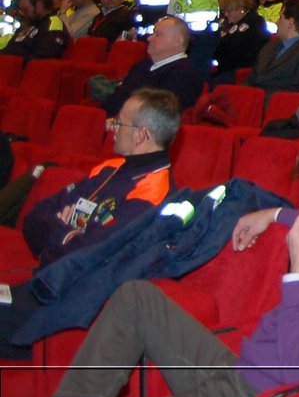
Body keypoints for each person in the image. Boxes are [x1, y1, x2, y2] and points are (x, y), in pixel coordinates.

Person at [52, 139, 299, 397]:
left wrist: (298, 273)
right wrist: (272, 215)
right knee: (136, 298)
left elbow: (298, 367)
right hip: (242, 365)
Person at [0, 89, 179, 356]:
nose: (111, 128)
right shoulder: (108, 169)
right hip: (44, 287)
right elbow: (36, 217)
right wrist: (68, 235)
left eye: (118, 122)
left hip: (68, 312)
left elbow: (87, 258)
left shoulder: (154, 193)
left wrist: (64, 234)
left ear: (141, 135)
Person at [103, 16, 205, 117]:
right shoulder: (141, 66)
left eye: (158, 35)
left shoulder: (185, 75)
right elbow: (115, 100)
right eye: (153, 33)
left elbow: (159, 115)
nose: (149, 38)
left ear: (178, 41)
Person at [248, 0, 299, 96]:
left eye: (280, 17)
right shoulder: (270, 46)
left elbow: (298, 86)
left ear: (290, 22)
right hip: (254, 99)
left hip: (276, 102)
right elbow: (252, 77)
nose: (276, 22)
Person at [212, 0, 270, 85]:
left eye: (229, 11)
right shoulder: (227, 23)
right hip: (224, 68)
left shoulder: (255, 22)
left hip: (241, 71)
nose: (226, 14)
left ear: (241, 8)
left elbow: (240, 50)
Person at [1, 0, 70, 60]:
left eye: (26, 9)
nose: (23, 13)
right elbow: (9, 49)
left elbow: (44, 57)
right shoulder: (27, 25)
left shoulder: (53, 24)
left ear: (39, 4)